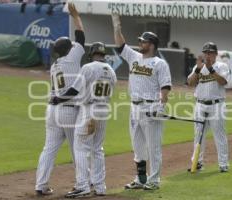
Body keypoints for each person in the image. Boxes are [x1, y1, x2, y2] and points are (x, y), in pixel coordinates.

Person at [111, 14, 172, 190]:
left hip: (151, 106)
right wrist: (117, 27)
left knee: (153, 147)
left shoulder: (159, 63)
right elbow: (121, 45)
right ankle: (141, 178)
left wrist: (161, 105)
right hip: (134, 107)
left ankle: (154, 180)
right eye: (140, 41)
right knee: (138, 147)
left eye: (143, 41)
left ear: (151, 44)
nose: (140, 43)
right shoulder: (134, 57)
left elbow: (165, 86)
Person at [34, 3, 85, 196]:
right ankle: (82, 183)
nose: (74, 46)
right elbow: (81, 36)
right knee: (77, 148)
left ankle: (41, 185)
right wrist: (75, 16)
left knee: (49, 149)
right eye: (71, 46)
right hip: (68, 109)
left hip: (52, 110)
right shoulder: (72, 58)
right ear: (68, 49)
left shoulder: (55, 65)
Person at [64, 42, 117, 198]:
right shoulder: (111, 71)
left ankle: (82, 186)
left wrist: (59, 98)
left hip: (89, 110)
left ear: (92, 53)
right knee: (97, 149)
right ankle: (100, 187)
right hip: (103, 110)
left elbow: (74, 89)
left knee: (80, 147)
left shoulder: (88, 68)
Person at [187, 42, 229, 173]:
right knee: (198, 135)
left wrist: (210, 69)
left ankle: (223, 164)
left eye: (210, 52)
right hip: (200, 104)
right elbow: (190, 83)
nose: (208, 55)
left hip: (217, 105)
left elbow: (223, 81)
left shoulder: (222, 66)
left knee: (219, 135)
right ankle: (197, 162)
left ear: (216, 54)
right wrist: (198, 69)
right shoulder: (198, 67)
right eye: (205, 52)